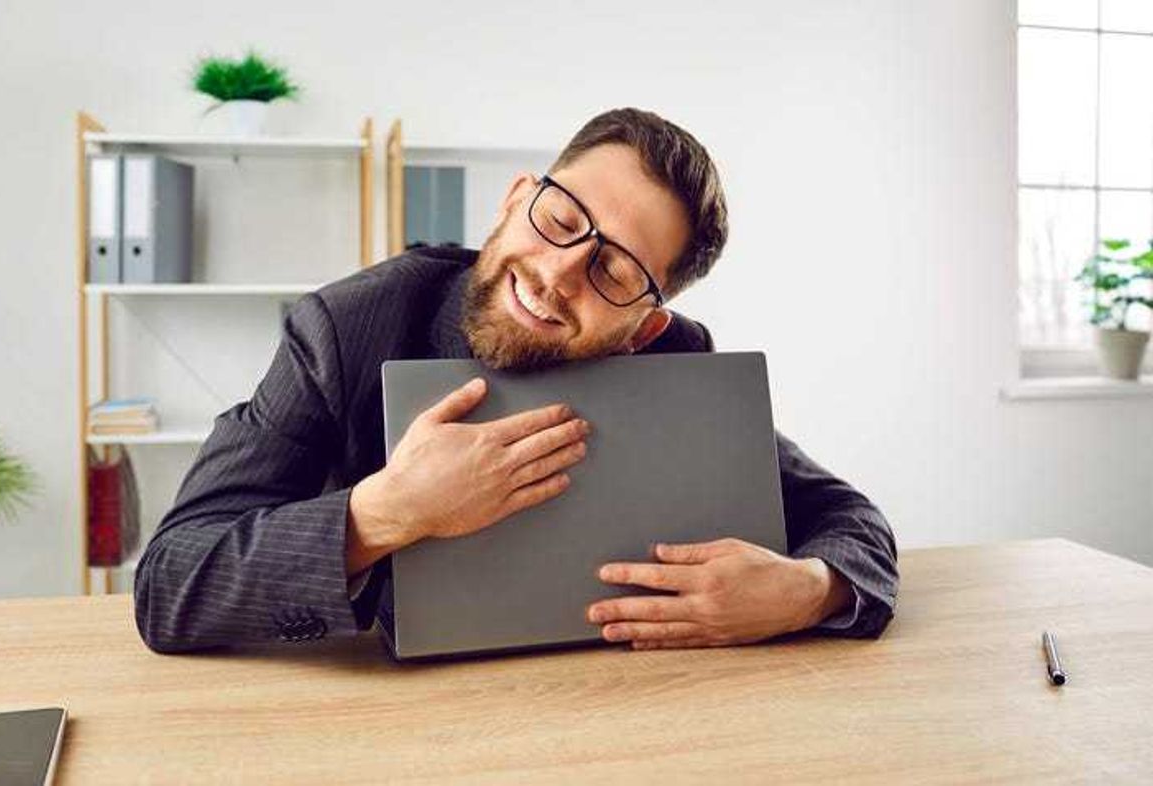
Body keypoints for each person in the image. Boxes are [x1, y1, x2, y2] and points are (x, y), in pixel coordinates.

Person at [134, 108, 898, 654]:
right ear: (514, 200)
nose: (559, 272)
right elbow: (169, 582)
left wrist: (807, 591)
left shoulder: (676, 361)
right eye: (560, 220)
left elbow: (850, 518)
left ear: (644, 328)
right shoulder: (345, 328)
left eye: (614, 271)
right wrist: (386, 513)